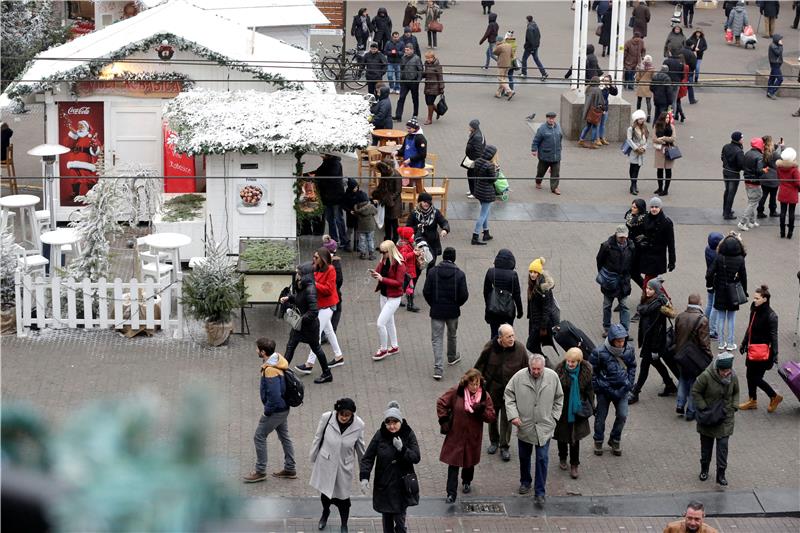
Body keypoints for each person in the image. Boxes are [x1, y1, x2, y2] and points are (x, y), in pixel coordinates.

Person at [504, 353, 564, 503]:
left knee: (542, 458)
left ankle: (540, 492)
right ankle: (525, 481)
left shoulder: (552, 377)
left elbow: (559, 398)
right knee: (524, 457)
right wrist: (513, 416)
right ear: (529, 366)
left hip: (544, 426)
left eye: (539, 369)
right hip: (524, 425)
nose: (536, 372)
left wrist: (554, 418)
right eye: (533, 369)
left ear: (544, 367)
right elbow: (509, 395)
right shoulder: (518, 377)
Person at [360, 401, 421, 533]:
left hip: (401, 487)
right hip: (384, 487)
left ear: (400, 421)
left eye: (395, 422)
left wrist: (403, 449)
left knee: (400, 523)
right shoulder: (380, 435)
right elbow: (368, 457)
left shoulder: (408, 434)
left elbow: (416, 457)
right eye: (389, 423)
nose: (392, 426)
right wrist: (364, 477)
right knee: (387, 524)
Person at [437, 369, 496, 502]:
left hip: (472, 436)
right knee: (453, 464)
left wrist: (481, 412)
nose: (475, 387)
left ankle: (466, 481)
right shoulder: (456, 392)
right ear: (466, 383)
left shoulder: (484, 396)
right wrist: (444, 420)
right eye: (472, 384)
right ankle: (451, 493)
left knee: (469, 461)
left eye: (477, 384)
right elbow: (441, 402)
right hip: (456, 434)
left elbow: (491, 417)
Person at [243, 338, 297, 483]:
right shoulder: (277, 360)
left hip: (276, 411)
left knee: (259, 436)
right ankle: (290, 468)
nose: (256, 351)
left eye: (257, 349)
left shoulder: (271, 370)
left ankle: (260, 471)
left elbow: (274, 395)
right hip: (283, 408)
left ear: (263, 352)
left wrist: (267, 412)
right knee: (285, 437)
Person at [310, 398, 366, 533]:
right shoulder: (327, 418)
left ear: (352, 414)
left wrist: (365, 474)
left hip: (343, 467)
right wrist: (313, 456)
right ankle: (325, 513)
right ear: (337, 412)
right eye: (342, 414)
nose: (344, 417)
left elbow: (361, 450)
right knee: (325, 495)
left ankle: (344, 525)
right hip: (326, 463)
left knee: (343, 500)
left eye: (348, 415)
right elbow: (318, 437)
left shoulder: (359, 425)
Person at [474, 324, 528, 462]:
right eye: (508, 336)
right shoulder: (490, 348)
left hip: (511, 391)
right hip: (493, 389)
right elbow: (479, 366)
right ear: (500, 338)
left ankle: (504, 445)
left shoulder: (520, 349)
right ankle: (494, 441)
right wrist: (479, 384)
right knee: (492, 416)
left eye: (513, 335)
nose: (512, 339)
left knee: (507, 418)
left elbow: (526, 370)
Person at [691, 351, 739, 486]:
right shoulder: (706, 376)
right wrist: (703, 407)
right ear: (717, 368)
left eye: (728, 370)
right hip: (709, 417)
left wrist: (734, 406)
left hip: (725, 417)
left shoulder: (733, 376)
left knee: (723, 447)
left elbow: (736, 392)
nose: (726, 373)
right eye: (723, 370)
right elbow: (696, 391)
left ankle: (721, 474)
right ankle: (704, 469)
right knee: (706, 447)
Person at [281, 263, 334, 384]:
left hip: (309, 327)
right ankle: (282, 371)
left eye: (298, 273)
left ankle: (327, 373)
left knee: (316, 349)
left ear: (304, 275)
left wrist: (301, 319)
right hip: (301, 325)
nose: (296, 276)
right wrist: (289, 298)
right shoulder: (304, 286)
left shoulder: (310, 289)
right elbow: (300, 298)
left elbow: (313, 311)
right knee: (291, 345)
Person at [590, 324, 636, 457]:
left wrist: (629, 383)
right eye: (618, 341)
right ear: (611, 339)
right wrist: (599, 387)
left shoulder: (629, 350)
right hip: (604, 391)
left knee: (622, 415)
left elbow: (632, 366)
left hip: (622, 390)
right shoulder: (599, 352)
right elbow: (593, 372)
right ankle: (598, 440)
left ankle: (615, 439)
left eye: (623, 341)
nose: (621, 344)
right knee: (600, 417)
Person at [296, 248, 345, 374]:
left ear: (322, 259)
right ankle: (339, 356)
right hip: (320, 305)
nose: (313, 259)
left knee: (315, 333)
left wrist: (313, 284)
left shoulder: (331, 269)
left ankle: (309, 364)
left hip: (327, 306)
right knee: (329, 331)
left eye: (316, 257)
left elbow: (328, 289)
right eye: (313, 256)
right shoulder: (315, 268)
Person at [630, 277, 678, 404]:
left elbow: (658, 330)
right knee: (656, 363)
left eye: (651, 289)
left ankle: (635, 392)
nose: (647, 290)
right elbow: (642, 310)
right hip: (649, 342)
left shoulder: (657, 306)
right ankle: (669, 384)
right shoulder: (649, 302)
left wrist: (655, 349)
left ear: (656, 291)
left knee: (644, 366)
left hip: (653, 343)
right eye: (647, 288)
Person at [424, 246, 469, 380]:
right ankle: (452, 356)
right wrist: (457, 304)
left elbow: (426, 291)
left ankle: (438, 369)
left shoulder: (432, 272)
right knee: (452, 334)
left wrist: (433, 304)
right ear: (454, 258)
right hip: (453, 311)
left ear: (443, 257)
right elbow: (464, 295)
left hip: (437, 311)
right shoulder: (460, 274)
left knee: (437, 339)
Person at [738, 284, 782, 413]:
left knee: (756, 378)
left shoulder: (771, 316)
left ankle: (774, 396)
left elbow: (774, 336)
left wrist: (775, 354)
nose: (754, 300)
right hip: (752, 350)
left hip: (763, 353)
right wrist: (744, 343)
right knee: (748, 375)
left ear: (765, 299)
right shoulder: (754, 310)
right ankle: (752, 400)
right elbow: (750, 328)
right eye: (754, 298)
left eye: (757, 298)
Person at [554, 348, 594, 479]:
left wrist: (591, 407)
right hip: (563, 409)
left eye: (573, 362)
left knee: (575, 439)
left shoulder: (585, 373)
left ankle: (574, 464)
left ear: (579, 362)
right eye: (568, 361)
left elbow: (589, 391)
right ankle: (562, 457)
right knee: (561, 436)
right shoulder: (559, 371)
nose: (570, 364)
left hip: (577, 410)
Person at [674, 294, 713, 421]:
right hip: (694, 357)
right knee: (693, 383)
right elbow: (704, 341)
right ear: (700, 303)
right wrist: (709, 355)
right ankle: (691, 411)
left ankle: (680, 404)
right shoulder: (702, 320)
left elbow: (676, 335)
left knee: (682, 379)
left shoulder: (680, 316)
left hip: (680, 354)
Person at [371, 241, 407, 361]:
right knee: (389, 321)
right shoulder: (384, 259)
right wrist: (375, 273)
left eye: (383, 252)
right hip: (384, 295)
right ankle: (394, 346)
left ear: (390, 251)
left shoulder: (400, 264)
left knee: (380, 323)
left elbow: (399, 283)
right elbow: (379, 270)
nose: (381, 254)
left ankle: (383, 349)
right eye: (380, 251)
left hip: (394, 298)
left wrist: (382, 279)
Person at [597, 225, 635, 334]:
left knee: (624, 306)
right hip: (610, 281)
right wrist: (605, 275)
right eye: (620, 237)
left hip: (623, 282)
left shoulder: (631, 246)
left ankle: (624, 330)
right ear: (616, 235)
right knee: (607, 305)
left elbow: (633, 261)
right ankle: (607, 328)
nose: (622, 239)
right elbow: (599, 260)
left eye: (624, 237)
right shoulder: (606, 246)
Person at [307, 154, 348, 251]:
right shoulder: (327, 162)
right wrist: (309, 174)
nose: (321, 156)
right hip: (328, 196)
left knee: (338, 219)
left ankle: (343, 241)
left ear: (328, 155)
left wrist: (316, 178)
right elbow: (319, 172)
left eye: (323, 154)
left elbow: (329, 178)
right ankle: (334, 240)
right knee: (330, 219)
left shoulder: (335, 164)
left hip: (335, 196)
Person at [483, 250, 524, 338]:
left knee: (494, 333)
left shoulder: (491, 272)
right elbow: (517, 295)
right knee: (507, 334)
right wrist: (520, 311)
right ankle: (506, 350)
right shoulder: (513, 275)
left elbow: (486, 292)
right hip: (507, 311)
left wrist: (488, 305)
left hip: (493, 310)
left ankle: (494, 349)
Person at [406, 191, 449, 270]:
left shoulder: (435, 212)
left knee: (431, 267)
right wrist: (417, 227)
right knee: (417, 268)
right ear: (420, 202)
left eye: (428, 202)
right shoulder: (414, 214)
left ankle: (429, 282)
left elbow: (444, 222)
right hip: (419, 244)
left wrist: (445, 229)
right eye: (424, 202)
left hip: (433, 243)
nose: (426, 204)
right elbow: (408, 228)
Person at [638, 197, 676, 288]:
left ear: (660, 208)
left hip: (658, 258)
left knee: (649, 282)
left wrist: (672, 261)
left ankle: (662, 300)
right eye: (652, 207)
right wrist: (642, 241)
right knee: (652, 283)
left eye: (656, 207)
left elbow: (671, 244)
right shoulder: (646, 218)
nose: (654, 209)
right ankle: (663, 300)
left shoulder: (666, 222)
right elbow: (642, 233)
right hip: (646, 255)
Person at [525, 257, 559, 356]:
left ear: (539, 273)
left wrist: (543, 327)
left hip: (539, 323)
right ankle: (540, 361)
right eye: (531, 271)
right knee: (535, 344)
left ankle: (544, 361)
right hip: (534, 320)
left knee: (530, 345)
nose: (532, 274)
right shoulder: (533, 284)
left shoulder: (543, 289)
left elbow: (546, 308)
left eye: (535, 272)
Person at [531, 111, 564, 195]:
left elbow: (560, 139)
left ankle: (554, 188)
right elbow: (536, 140)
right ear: (547, 118)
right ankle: (538, 181)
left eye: (553, 118)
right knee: (541, 171)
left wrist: (560, 150)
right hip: (544, 155)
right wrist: (534, 149)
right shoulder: (542, 128)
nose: (551, 120)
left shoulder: (558, 127)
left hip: (556, 155)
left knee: (555, 173)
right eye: (550, 118)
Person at [471, 144, 498, 245]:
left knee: (485, 212)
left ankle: (486, 232)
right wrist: (497, 171)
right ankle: (475, 236)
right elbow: (493, 180)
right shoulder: (490, 165)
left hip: (479, 190)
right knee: (483, 214)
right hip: (487, 192)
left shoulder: (478, 161)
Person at [738, 137, 767, 232]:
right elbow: (759, 171)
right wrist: (764, 170)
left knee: (752, 200)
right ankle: (742, 222)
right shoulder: (759, 156)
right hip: (755, 181)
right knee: (753, 201)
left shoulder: (748, 153)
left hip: (747, 180)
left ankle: (751, 221)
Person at [371, 161, 402, 242]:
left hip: (394, 203)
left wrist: (389, 199)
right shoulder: (385, 173)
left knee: (394, 222)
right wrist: (375, 194)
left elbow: (398, 191)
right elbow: (381, 186)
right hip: (386, 201)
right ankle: (387, 240)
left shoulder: (397, 175)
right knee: (387, 222)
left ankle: (395, 240)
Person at [703, 232, 724, 339]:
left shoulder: (708, 249)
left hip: (710, 282)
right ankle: (712, 330)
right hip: (717, 282)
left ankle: (704, 324)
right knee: (715, 306)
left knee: (710, 304)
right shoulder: (718, 255)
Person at [393, 45, 423, 121]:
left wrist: (418, 81)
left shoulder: (416, 58)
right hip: (404, 81)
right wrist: (401, 78)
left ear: (412, 50)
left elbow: (420, 69)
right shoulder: (403, 58)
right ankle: (398, 115)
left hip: (413, 81)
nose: (406, 51)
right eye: (405, 50)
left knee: (415, 99)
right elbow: (401, 68)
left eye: (408, 50)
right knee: (401, 98)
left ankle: (415, 114)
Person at [721, 131, 745, 220]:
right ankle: (727, 213)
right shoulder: (739, 151)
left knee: (727, 191)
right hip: (734, 174)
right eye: (742, 138)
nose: (743, 139)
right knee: (731, 193)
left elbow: (722, 157)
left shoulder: (726, 146)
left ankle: (725, 210)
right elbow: (741, 165)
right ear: (738, 139)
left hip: (726, 171)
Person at [777, 147, 800, 238]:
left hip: (783, 191)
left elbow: (779, 178)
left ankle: (782, 231)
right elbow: (797, 182)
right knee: (791, 212)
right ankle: (790, 232)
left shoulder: (779, 167)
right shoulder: (794, 170)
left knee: (782, 212)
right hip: (792, 192)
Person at [757, 135, 782, 218]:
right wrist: (782, 147)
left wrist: (777, 145)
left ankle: (760, 211)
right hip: (774, 178)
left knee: (763, 195)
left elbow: (770, 150)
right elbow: (781, 158)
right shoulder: (774, 154)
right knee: (773, 196)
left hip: (764, 176)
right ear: (770, 142)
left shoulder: (762, 151)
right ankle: (772, 211)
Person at [653, 112, 677, 195]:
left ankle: (666, 189)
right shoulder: (657, 126)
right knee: (659, 169)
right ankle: (660, 187)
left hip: (669, 149)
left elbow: (673, 138)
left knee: (668, 170)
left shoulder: (671, 127)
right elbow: (654, 139)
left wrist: (663, 138)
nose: (667, 119)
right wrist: (664, 140)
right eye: (666, 118)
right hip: (659, 150)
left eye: (668, 118)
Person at [397, 226, 420, 312]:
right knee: (409, 287)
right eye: (412, 234)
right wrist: (413, 253)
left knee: (407, 287)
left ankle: (399, 300)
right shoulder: (405, 246)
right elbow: (404, 257)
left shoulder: (408, 243)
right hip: (408, 271)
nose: (413, 235)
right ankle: (410, 305)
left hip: (409, 270)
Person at [626, 110, 649, 195]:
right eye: (639, 119)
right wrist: (636, 148)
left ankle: (634, 185)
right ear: (636, 119)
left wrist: (644, 148)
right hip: (634, 151)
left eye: (642, 119)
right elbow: (629, 140)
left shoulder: (645, 128)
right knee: (633, 168)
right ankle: (633, 185)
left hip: (641, 152)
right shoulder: (631, 128)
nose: (641, 120)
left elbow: (647, 139)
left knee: (637, 168)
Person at [579, 77, 604, 149]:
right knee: (594, 127)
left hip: (587, 111)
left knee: (588, 126)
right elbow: (601, 102)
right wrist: (602, 108)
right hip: (594, 111)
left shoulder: (588, 89)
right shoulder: (597, 90)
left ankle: (581, 139)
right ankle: (592, 142)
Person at [522, 15, 548, 81]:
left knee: (524, 59)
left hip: (530, 47)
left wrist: (532, 48)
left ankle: (524, 73)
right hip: (535, 46)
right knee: (536, 59)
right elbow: (539, 36)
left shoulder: (529, 28)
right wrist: (536, 45)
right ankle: (544, 73)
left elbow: (530, 39)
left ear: (527, 20)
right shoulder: (535, 25)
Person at [353, 194, 378, 260]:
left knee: (362, 240)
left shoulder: (357, 207)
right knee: (370, 240)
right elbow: (376, 212)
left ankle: (363, 254)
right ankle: (371, 254)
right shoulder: (371, 206)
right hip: (370, 226)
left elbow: (355, 215)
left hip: (361, 227)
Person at [422, 51, 444, 125]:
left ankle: (429, 119)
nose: (427, 59)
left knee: (430, 103)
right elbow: (425, 74)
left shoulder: (437, 65)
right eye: (426, 58)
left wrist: (441, 88)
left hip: (434, 87)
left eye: (429, 58)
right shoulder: (426, 64)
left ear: (433, 57)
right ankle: (438, 111)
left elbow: (440, 77)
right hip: (427, 86)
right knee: (428, 102)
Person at [465, 119, 485, 199]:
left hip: (474, 160)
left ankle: (474, 193)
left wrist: (475, 161)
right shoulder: (476, 133)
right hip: (473, 159)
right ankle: (472, 190)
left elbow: (478, 150)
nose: (469, 127)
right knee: (470, 174)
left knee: (472, 175)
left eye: (470, 126)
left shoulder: (477, 137)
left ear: (474, 127)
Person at [492, 34, 515, 100]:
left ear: (498, 41)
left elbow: (494, 52)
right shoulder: (509, 45)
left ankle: (509, 91)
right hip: (508, 64)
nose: (496, 42)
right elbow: (512, 55)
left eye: (496, 41)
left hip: (501, 65)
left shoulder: (500, 46)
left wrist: (496, 46)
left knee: (500, 78)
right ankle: (498, 93)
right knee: (504, 79)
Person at [635, 55, 655, 122]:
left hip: (641, 84)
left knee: (639, 100)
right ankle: (649, 115)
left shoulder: (641, 67)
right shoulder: (652, 68)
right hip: (648, 86)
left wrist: (637, 81)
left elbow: (637, 77)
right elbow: (653, 78)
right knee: (648, 101)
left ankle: (637, 114)